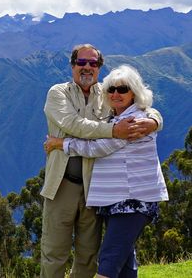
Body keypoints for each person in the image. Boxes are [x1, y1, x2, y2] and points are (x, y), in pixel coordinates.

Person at [40, 44, 162, 278]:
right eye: (82, 63)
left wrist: (155, 121)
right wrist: (114, 131)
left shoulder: (106, 94)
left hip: (93, 188)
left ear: (99, 68)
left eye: (93, 63)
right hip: (61, 185)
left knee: (88, 255)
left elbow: (140, 107)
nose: (87, 67)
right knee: (55, 252)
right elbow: (74, 125)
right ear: (72, 65)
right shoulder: (58, 93)